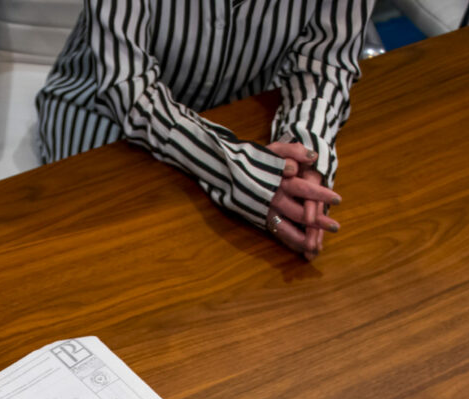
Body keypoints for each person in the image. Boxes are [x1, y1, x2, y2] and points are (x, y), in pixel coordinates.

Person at [36, 0, 372, 259]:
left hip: (238, 120)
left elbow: (325, 64)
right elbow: (129, 89)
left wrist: (304, 157)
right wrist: (246, 174)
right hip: (104, 115)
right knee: (115, 261)